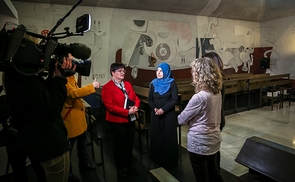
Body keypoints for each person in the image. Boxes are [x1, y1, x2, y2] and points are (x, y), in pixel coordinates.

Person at [4, 35, 74, 182]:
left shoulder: (14, 73)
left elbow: (40, 98)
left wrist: (53, 76)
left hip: (39, 143)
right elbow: (51, 110)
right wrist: (61, 79)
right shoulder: (24, 77)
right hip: (51, 145)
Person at [178, 57, 224, 182]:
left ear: (201, 74)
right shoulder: (217, 92)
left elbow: (181, 120)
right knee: (214, 173)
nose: (192, 74)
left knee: (201, 178)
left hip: (200, 142)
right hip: (214, 139)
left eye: (194, 71)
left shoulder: (199, 97)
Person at [101, 63, 140, 179]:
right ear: (113, 73)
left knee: (129, 144)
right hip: (116, 121)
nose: (123, 72)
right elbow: (110, 106)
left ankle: (129, 165)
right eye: (119, 71)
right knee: (119, 146)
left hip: (130, 120)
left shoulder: (127, 84)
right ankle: (120, 168)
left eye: (123, 70)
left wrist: (135, 107)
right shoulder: (107, 87)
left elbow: (135, 98)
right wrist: (127, 112)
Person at [61, 75, 100, 182]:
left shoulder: (71, 77)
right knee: (69, 149)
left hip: (78, 118)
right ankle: (68, 173)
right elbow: (73, 93)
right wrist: (91, 86)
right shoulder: (61, 78)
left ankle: (84, 164)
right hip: (71, 119)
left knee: (82, 144)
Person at [148, 62, 179, 169]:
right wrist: (155, 108)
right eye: (157, 70)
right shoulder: (153, 83)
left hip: (168, 115)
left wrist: (163, 109)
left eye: (161, 71)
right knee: (157, 136)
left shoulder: (172, 83)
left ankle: (170, 160)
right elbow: (150, 99)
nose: (159, 73)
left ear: (166, 72)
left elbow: (174, 99)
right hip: (156, 114)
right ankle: (158, 159)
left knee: (168, 137)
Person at [203, 52, 225, 171]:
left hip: (213, 120)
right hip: (215, 119)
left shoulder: (216, 84)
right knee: (212, 151)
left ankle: (214, 174)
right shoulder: (217, 82)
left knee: (212, 154)